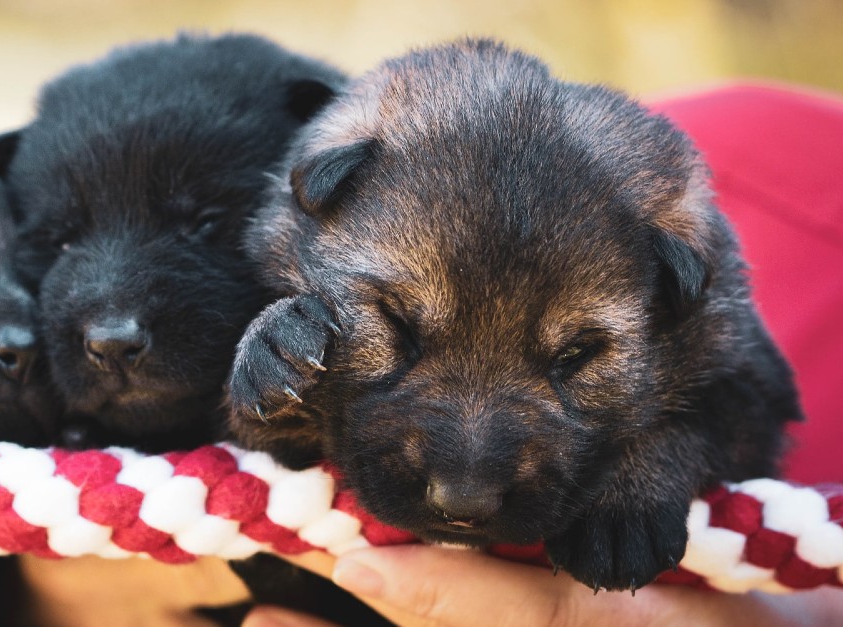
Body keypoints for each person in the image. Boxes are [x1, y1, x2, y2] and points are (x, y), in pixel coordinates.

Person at [246, 82, 843, 626]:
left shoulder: (672, 231)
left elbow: (740, 396)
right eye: (400, 330)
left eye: (574, 359)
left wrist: (658, 461)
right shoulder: (733, 143)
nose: (465, 491)